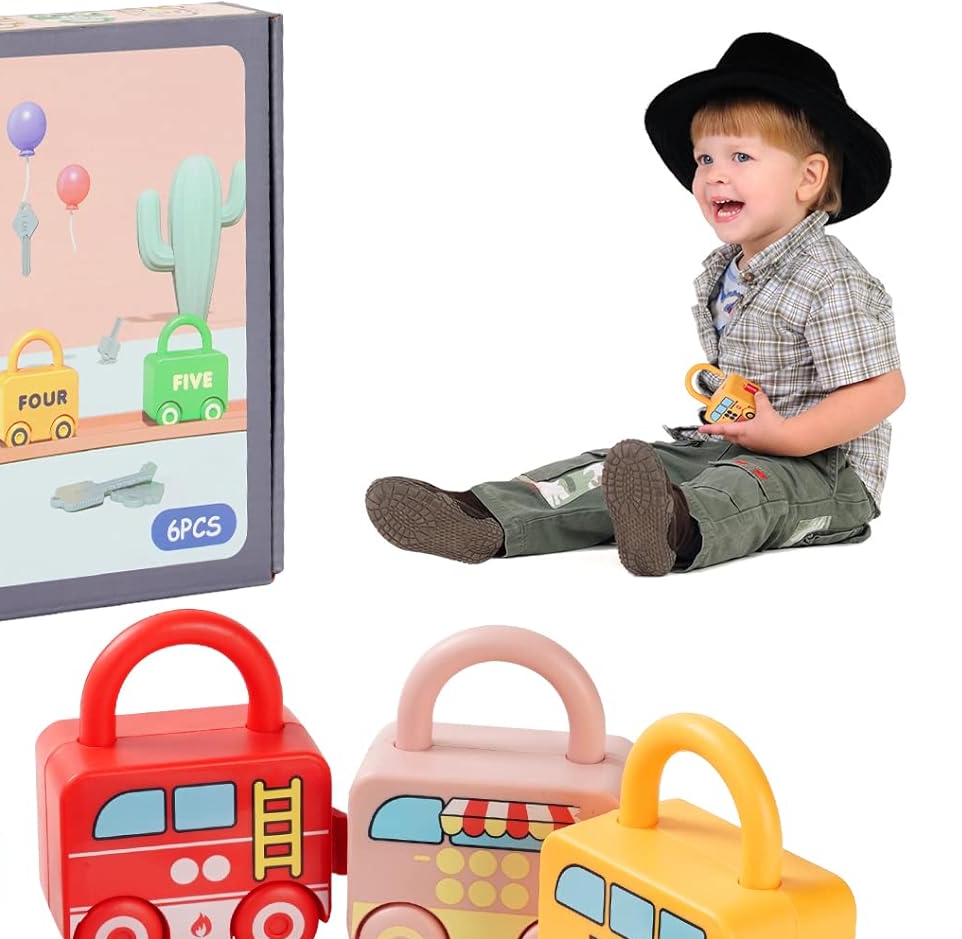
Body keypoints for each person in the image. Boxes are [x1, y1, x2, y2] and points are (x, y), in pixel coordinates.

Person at [366, 33, 904, 575]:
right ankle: (485, 517)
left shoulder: (830, 277)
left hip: (826, 471)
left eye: (741, 156)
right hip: (735, 444)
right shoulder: (730, 270)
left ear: (809, 178)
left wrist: (785, 436)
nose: (714, 174)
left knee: (749, 489)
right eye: (705, 158)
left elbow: (882, 391)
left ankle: (674, 528)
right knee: (612, 468)